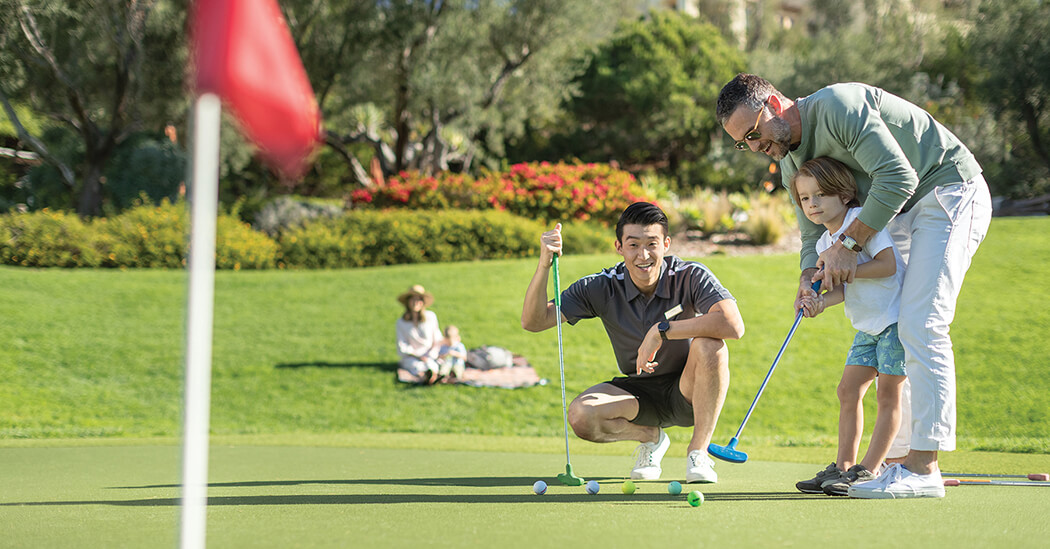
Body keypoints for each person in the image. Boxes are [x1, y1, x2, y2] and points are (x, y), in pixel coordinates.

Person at [717, 74, 993, 498]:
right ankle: (892, 464)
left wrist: (848, 244)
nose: (755, 148)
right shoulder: (791, 159)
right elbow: (812, 239)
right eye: (744, 143)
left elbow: (898, 177)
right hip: (897, 213)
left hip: (946, 189)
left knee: (922, 324)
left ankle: (923, 469)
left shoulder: (838, 106)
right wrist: (807, 283)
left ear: (774, 102)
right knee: (901, 325)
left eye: (754, 134)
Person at [521, 202, 745, 483]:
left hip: (688, 390)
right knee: (580, 415)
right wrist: (544, 263)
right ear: (619, 247)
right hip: (637, 394)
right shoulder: (601, 286)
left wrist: (660, 331)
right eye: (633, 245)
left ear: (666, 244)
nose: (644, 255)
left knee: (711, 345)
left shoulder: (690, 275)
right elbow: (534, 321)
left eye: (652, 244)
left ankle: (698, 452)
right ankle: (651, 437)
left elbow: (733, 325)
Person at [789, 157, 909, 496]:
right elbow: (841, 288)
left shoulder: (861, 222)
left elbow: (886, 265)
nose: (812, 204)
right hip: (867, 327)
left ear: (844, 195)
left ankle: (868, 469)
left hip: (894, 321)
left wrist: (848, 266)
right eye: (805, 198)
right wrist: (819, 303)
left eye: (820, 195)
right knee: (848, 390)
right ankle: (842, 467)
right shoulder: (824, 244)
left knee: (888, 394)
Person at [396, 284, 442, 385]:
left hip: (429, 354)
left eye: (418, 300)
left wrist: (430, 354)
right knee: (416, 366)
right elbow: (402, 346)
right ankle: (425, 377)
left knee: (432, 365)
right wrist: (418, 355)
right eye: (413, 300)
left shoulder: (431, 317)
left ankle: (431, 376)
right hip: (412, 356)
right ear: (408, 302)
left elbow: (437, 339)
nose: (416, 303)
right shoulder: (401, 322)